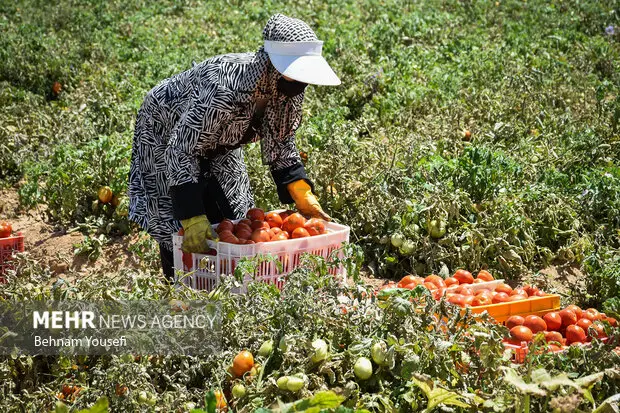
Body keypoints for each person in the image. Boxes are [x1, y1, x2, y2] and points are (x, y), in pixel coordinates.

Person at [128, 14, 340, 279]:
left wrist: (299, 189)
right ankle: (180, 282)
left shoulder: (288, 88)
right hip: (165, 131)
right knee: (179, 220)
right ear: (272, 63)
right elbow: (182, 149)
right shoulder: (225, 86)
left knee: (235, 214)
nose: (301, 83)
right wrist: (192, 215)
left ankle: (229, 281)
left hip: (222, 141)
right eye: (295, 73)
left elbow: (282, 140)